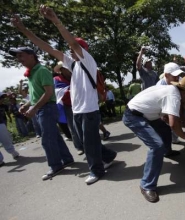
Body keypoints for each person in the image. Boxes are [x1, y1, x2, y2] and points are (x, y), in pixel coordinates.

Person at [11, 6, 117, 185]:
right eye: (69, 48)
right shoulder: (72, 64)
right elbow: (46, 47)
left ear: (83, 50)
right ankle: (109, 155)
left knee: (88, 143)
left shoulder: (88, 60)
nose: (69, 50)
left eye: (73, 47)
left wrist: (56, 21)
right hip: (77, 110)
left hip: (89, 109)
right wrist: (24, 30)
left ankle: (97, 170)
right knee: (83, 141)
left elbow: (73, 43)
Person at [123, 77, 185, 203]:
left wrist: (184, 122)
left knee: (164, 129)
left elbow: (169, 120)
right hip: (134, 117)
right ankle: (147, 185)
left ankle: (167, 151)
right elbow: (174, 124)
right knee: (157, 146)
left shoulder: (171, 90)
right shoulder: (173, 96)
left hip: (145, 114)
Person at [8, 46, 74, 181]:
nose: (19, 59)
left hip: (47, 108)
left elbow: (49, 93)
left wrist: (33, 108)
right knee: (54, 136)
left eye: (21, 55)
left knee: (47, 139)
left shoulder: (42, 70)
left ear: (32, 55)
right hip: (42, 108)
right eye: (17, 57)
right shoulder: (32, 73)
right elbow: (34, 96)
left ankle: (55, 165)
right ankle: (67, 159)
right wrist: (27, 105)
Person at [156, 62, 185, 146]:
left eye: (178, 75)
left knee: (175, 122)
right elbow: (160, 105)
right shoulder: (160, 86)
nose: (176, 78)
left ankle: (174, 139)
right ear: (166, 75)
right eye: (174, 76)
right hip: (161, 108)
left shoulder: (178, 80)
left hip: (173, 105)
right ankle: (166, 148)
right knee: (166, 128)